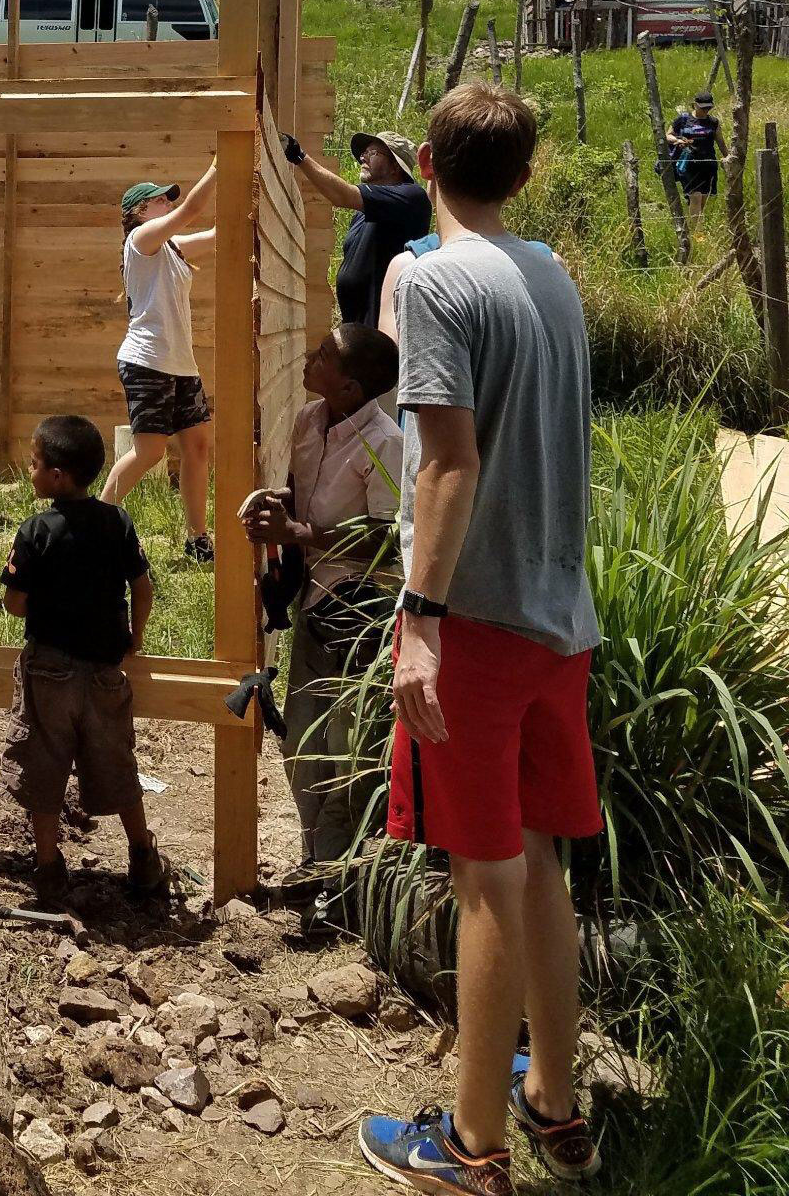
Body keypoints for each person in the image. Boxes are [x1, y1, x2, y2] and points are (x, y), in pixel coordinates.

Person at [360, 84, 602, 1191]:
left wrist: (420, 620)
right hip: (561, 616)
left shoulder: (438, 283)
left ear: (423, 160)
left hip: (481, 621)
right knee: (543, 861)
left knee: (485, 877)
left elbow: (449, 462)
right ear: (527, 170)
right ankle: (554, 1103)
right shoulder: (551, 274)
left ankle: (468, 1149)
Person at [239, 325, 402, 892]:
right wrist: (277, 504)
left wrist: (301, 532)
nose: (313, 355)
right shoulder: (311, 421)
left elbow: (383, 541)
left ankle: (342, 874)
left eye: (326, 355)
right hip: (312, 602)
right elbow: (298, 487)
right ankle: (319, 857)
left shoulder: (386, 444)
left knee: (345, 744)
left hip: (356, 615)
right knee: (302, 739)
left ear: (352, 388)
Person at [0, 414, 166, 907]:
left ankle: (49, 869)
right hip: (104, 671)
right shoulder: (117, 521)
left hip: (48, 669)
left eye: (34, 464)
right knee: (116, 760)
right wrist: (134, 637)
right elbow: (143, 586)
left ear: (57, 476)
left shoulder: (36, 530)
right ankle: (142, 858)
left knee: (45, 762)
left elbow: (13, 601)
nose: (29, 472)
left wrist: (42, 605)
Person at [102, 164, 217, 561]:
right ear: (138, 211)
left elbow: (219, 236)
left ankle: (197, 539)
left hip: (181, 364)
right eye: (159, 199)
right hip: (147, 361)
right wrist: (219, 167)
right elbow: (190, 212)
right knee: (150, 452)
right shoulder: (140, 239)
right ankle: (93, 523)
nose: (168, 202)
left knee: (198, 445)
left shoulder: (171, 246)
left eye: (169, 196)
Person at [377, 180, 564, 346]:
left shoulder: (408, 268)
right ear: (519, 180)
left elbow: (388, 375)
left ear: (426, 163)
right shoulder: (551, 264)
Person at [280, 128, 431, 329]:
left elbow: (342, 196)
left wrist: (298, 155)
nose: (363, 157)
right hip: (357, 328)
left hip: (382, 333)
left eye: (373, 152)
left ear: (395, 166)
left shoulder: (411, 198)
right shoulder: (363, 212)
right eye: (363, 153)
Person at [667, 89, 725, 233]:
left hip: (708, 164)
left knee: (703, 199)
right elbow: (668, 135)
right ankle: (698, 234)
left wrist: (727, 157)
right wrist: (678, 140)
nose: (706, 111)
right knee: (696, 197)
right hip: (689, 164)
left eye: (708, 108)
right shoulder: (683, 119)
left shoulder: (714, 122)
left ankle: (695, 226)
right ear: (695, 105)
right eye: (703, 108)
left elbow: (721, 143)